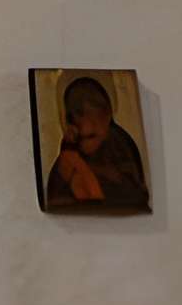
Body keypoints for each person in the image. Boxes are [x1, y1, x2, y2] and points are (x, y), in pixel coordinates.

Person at [45, 76, 150, 210]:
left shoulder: (119, 143)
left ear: (107, 116)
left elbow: (133, 188)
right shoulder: (70, 149)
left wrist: (98, 172)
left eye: (91, 136)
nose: (85, 144)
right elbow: (56, 194)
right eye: (81, 136)